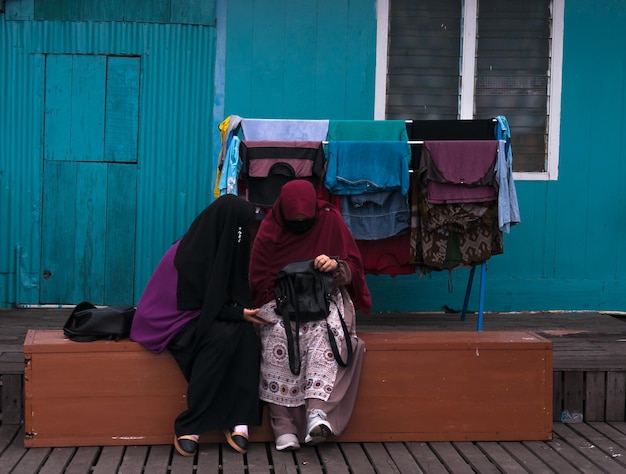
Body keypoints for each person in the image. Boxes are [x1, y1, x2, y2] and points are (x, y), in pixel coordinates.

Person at [130, 194, 270, 457]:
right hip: (169, 321)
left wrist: (240, 314)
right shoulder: (189, 254)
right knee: (220, 338)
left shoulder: (219, 247)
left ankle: (239, 417)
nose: (249, 234)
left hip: (200, 313)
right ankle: (191, 423)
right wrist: (236, 313)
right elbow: (197, 303)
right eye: (245, 228)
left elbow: (215, 302)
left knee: (245, 336)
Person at [249, 179, 372, 451]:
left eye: (307, 220)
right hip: (280, 300)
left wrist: (333, 265)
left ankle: (317, 413)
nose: (302, 224)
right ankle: (283, 427)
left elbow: (352, 265)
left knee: (323, 331)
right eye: (296, 221)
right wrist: (282, 299)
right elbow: (259, 279)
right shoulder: (271, 229)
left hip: (322, 297)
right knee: (276, 334)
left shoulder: (329, 220)